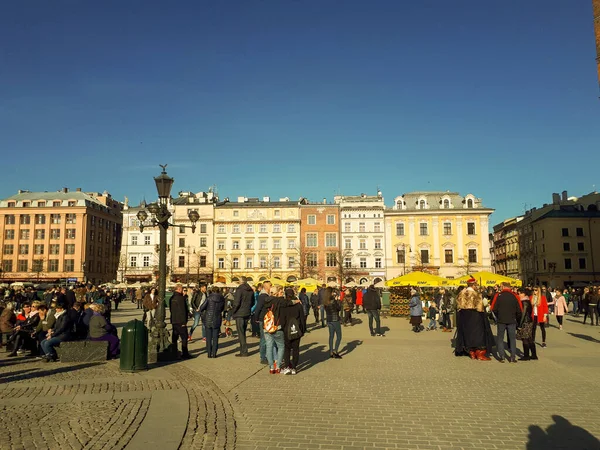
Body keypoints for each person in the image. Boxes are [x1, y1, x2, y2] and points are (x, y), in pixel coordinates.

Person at [260, 286, 300, 373]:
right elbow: (288, 303)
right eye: (281, 292)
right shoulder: (279, 300)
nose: (282, 294)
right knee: (281, 346)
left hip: (267, 327)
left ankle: (271, 367)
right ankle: (278, 367)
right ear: (277, 293)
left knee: (269, 347)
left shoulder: (266, 299)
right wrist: (296, 301)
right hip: (276, 327)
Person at [454, 279, 494, 360]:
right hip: (475, 315)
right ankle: (479, 354)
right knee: (478, 334)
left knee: (467, 333)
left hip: (464, 315)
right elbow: (480, 307)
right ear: (473, 285)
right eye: (475, 285)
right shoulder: (476, 294)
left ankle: (471, 353)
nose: (476, 287)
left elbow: (457, 305)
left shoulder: (461, 293)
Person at [491, 282, 523, 363]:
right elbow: (519, 310)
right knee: (512, 339)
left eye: (501, 286)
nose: (500, 287)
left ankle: (502, 356)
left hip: (501, 320)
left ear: (504, 286)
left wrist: (498, 316)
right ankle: (512, 357)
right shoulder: (515, 296)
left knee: (500, 338)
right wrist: (516, 318)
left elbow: (493, 309)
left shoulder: (498, 296)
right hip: (512, 320)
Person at [280, 288, 307, 375]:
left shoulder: (284, 305)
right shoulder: (298, 305)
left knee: (287, 349)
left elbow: (282, 319)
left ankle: (287, 366)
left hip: (286, 329)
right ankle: (294, 367)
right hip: (297, 329)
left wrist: (283, 328)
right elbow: (302, 318)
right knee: (296, 349)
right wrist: (303, 329)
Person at [231, 277, 254, 357]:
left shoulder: (239, 289)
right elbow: (253, 302)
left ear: (240, 282)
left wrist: (233, 312)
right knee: (243, 332)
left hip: (239, 314)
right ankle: (243, 350)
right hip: (247, 313)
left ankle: (244, 351)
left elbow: (236, 303)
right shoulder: (250, 290)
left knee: (241, 333)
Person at [200, 286, 225, 358]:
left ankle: (209, 353)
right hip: (217, 318)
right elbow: (222, 308)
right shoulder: (222, 298)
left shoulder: (209, 298)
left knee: (208, 337)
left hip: (208, 318)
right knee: (215, 338)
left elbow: (202, 307)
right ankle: (214, 354)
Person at [169, 284, 192, 359]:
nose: (183, 291)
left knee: (174, 337)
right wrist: (184, 322)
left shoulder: (171, 298)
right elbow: (183, 311)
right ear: (179, 289)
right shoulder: (181, 298)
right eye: (182, 289)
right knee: (184, 337)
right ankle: (185, 353)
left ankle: (174, 352)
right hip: (181, 321)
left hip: (174, 320)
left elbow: (171, 309)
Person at [253, 281, 272, 364]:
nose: (271, 286)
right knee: (264, 339)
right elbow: (258, 308)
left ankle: (268, 356)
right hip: (263, 319)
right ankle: (263, 357)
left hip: (267, 319)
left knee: (268, 338)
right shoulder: (262, 296)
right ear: (266, 287)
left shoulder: (268, 295)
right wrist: (256, 318)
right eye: (270, 285)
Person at [517, 288, 537, 361]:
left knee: (525, 338)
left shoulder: (524, 302)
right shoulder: (527, 300)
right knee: (529, 338)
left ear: (524, 294)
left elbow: (523, 314)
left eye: (519, 293)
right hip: (529, 321)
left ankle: (526, 355)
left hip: (525, 322)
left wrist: (520, 325)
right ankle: (534, 355)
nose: (518, 295)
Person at [323, 287, 343, 358]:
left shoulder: (325, 301)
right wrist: (338, 301)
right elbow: (339, 308)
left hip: (329, 319)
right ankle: (335, 350)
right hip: (335, 319)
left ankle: (331, 351)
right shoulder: (333, 301)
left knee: (331, 336)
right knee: (339, 336)